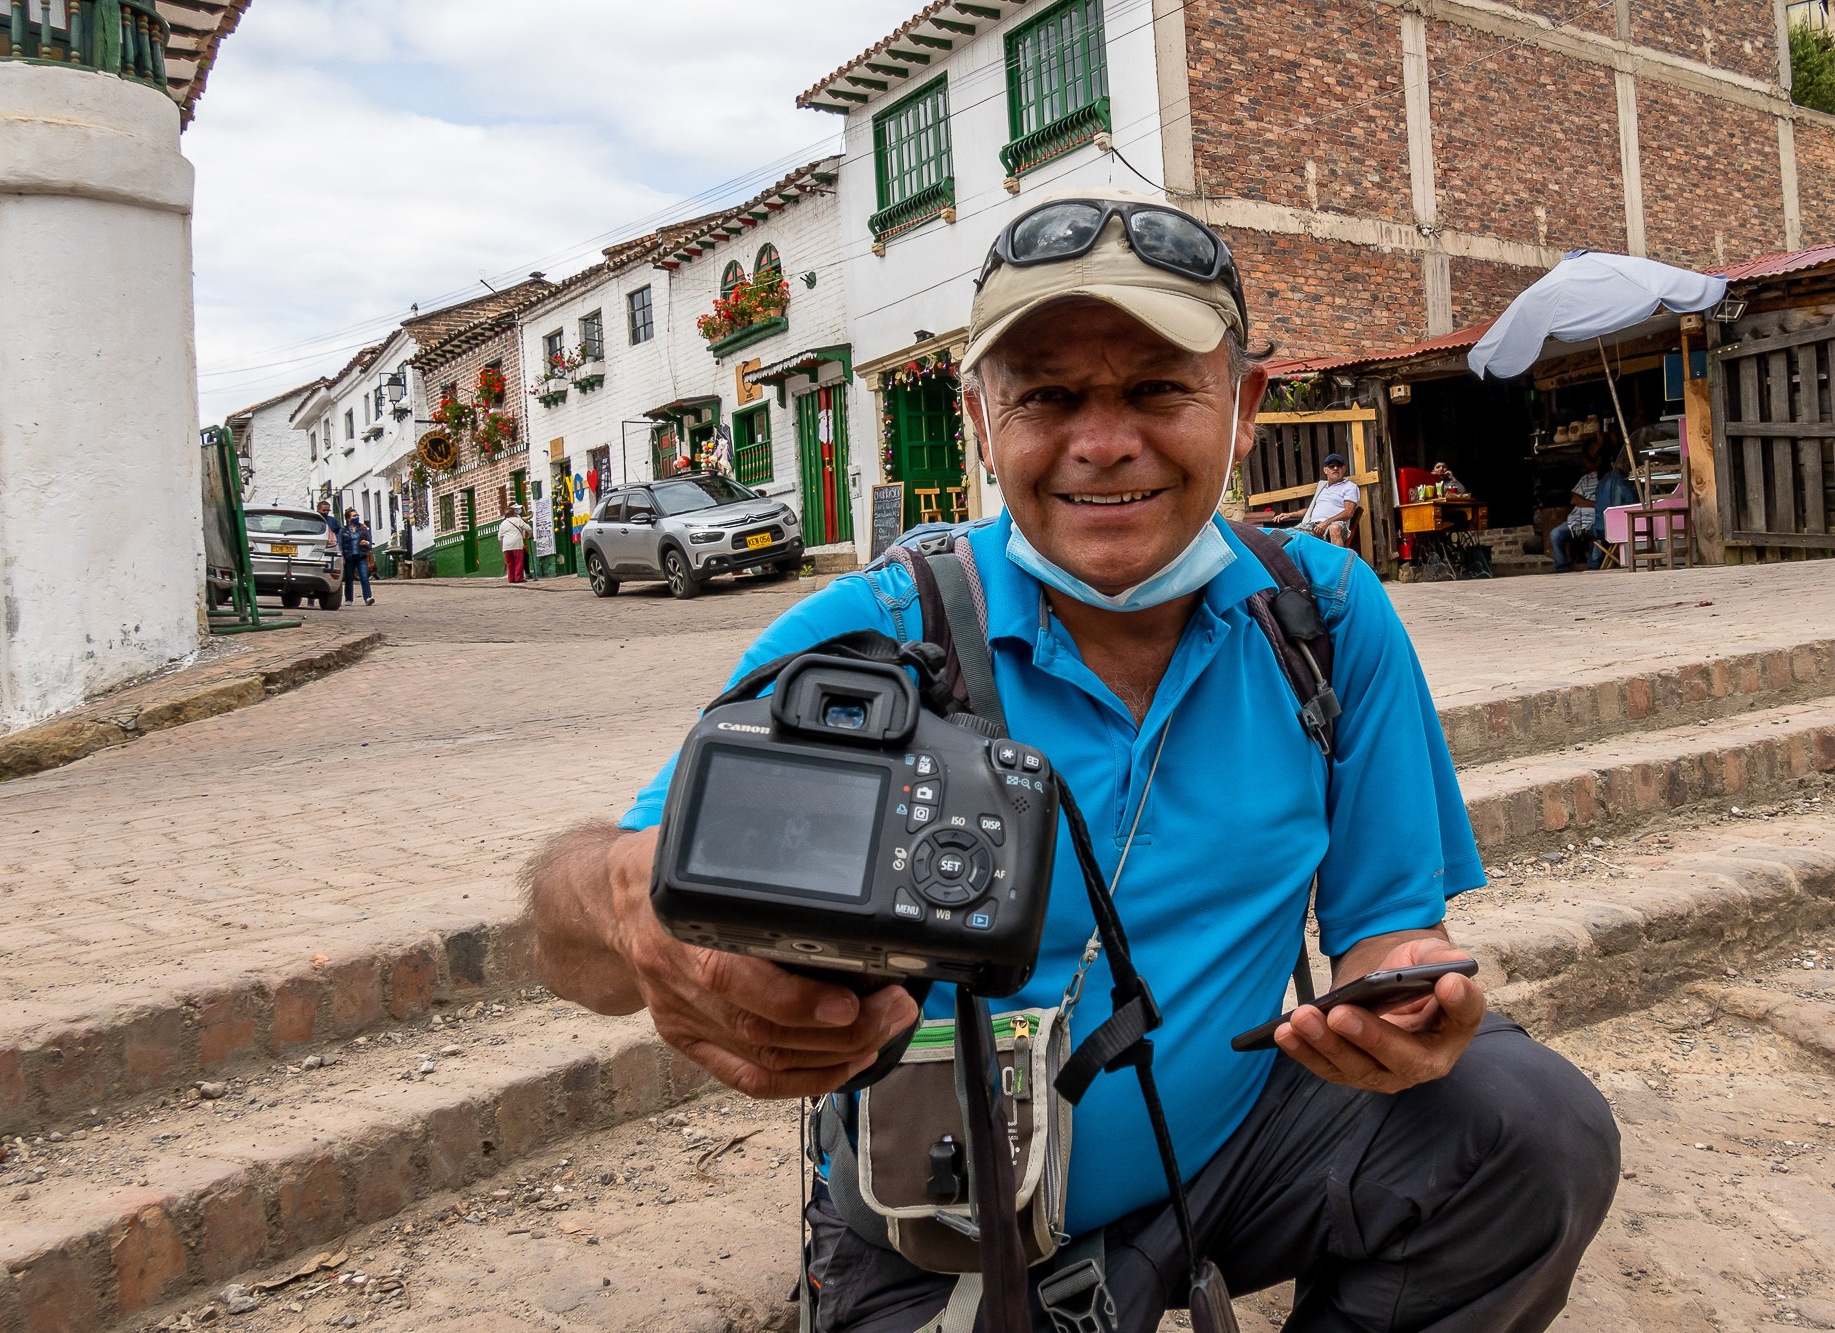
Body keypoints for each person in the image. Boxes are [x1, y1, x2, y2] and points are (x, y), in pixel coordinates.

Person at [529, 187, 1617, 1331]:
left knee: (1521, 1123)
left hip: (1234, 1155)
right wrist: (623, 902)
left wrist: (1398, 1000)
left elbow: (1385, 928)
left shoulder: (1323, 614)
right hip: (944, 1221)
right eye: (1047, 395)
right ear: (980, 418)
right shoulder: (869, 636)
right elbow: (572, 930)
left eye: (1156, 388)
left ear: (1241, 406)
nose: (1103, 443)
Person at [1284, 453, 1361, 544]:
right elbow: (1311, 510)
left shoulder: (1349, 487)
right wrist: (1290, 514)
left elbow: (1349, 512)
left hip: (1334, 525)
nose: (1335, 468)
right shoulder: (1322, 488)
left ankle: (1337, 558)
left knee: (1334, 528)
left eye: (1339, 465)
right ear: (1325, 470)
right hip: (1312, 525)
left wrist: (1326, 523)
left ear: (1344, 469)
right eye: (1332, 466)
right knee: (1283, 535)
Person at [1549, 444, 1602, 572]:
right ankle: (1562, 567)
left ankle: (1594, 565)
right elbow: (1574, 499)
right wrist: (1593, 504)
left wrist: (1585, 502)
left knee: (1597, 531)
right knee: (1555, 534)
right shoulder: (1587, 479)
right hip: (1577, 519)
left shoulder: (1608, 479)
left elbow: (1580, 500)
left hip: (1597, 519)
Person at [338, 508, 373, 605]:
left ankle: (368, 597)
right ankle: (349, 599)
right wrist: (341, 556)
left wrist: (366, 543)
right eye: (354, 516)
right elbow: (340, 544)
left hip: (361, 555)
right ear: (348, 519)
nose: (356, 517)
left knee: (364, 577)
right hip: (349, 557)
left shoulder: (363, 528)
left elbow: (370, 541)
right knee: (349, 578)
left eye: (357, 515)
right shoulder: (343, 530)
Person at [500, 505, 532, 584]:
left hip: (506, 545)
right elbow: (528, 528)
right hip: (517, 543)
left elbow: (499, 537)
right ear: (514, 513)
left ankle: (511, 578)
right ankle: (518, 577)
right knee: (518, 561)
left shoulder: (503, 523)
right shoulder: (518, 520)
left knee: (510, 563)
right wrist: (531, 535)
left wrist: (502, 547)